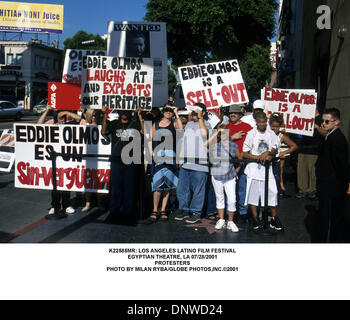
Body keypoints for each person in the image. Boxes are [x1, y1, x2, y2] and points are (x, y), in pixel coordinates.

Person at [101, 106, 144, 223]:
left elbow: (144, 133)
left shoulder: (134, 123)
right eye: (122, 111)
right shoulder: (114, 123)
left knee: (129, 187)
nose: (124, 113)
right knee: (115, 187)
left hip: (130, 160)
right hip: (116, 160)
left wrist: (139, 115)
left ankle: (128, 212)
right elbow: (104, 132)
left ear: (130, 112)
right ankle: (114, 211)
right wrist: (105, 115)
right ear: (119, 112)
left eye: (126, 111)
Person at [37, 105, 81, 215]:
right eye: (60, 114)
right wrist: (47, 111)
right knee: (55, 184)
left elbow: (79, 119)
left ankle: (66, 205)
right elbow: (38, 125)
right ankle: (55, 205)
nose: (62, 117)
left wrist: (67, 112)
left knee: (65, 182)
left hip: (67, 157)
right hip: (54, 158)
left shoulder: (72, 124)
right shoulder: (52, 122)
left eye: (64, 115)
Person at [243, 111, 283, 231]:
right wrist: (258, 157)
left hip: (267, 168)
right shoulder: (251, 134)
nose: (262, 124)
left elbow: (275, 148)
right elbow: (245, 152)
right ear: (256, 122)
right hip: (254, 168)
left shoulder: (271, 133)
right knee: (253, 195)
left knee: (273, 193)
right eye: (260, 122)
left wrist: (267, 153)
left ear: (266, 122)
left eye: (264, 122)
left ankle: (274, 218)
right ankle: (255, 218)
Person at [315, 108, 350, 243]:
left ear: (337, 122)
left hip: (333, 187)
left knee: (332, 218)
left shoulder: (337, 138)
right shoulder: (330, 136)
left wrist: (347, 183)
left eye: (327, 121)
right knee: (327, 217)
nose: (323, 124)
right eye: (323, 121)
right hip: (327, 185)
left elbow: (342, 164)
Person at [174, 102, 211, 224]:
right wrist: (180, 157)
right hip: (186, 162)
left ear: (203, 113)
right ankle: (183, 209)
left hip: (200, 164)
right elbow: (182, 138)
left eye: (196, 112)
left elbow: (204, 134)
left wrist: (200, 117)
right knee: (182, 188)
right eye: (193, 112)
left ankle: (196, 212)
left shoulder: (207, 124)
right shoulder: (189, 124)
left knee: (198, 190)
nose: (193, 114)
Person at [146, 105, 183, 222]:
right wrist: (151, 152)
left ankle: (163, 210)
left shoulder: (174, 123)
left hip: (171, 156)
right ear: (162, 112)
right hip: (158, 156)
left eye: (170, 111)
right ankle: (154, 209)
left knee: (167, 185)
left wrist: (177, 113)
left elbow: (181, 130)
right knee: (157, 185)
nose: (169, 112)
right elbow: (149, 139)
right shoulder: (156, 124)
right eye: (167, 110)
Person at [205, 124, 241, 232]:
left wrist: (236, 171)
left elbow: (240, 159)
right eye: (221, 133)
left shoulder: (234, 146)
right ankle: (221, 219)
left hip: (229, 176)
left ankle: (230, 221)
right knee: (219, 198)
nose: (223, 135)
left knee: (232, 199)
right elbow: (205, 144)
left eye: (225, 132)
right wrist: (216, 132)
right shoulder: (215, 145)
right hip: (217, 175)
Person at [226, 104, 252, 221]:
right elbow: (217, 143)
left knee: (242, 188)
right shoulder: (225, 127)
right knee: (229, 189)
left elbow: (253, 142)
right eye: (231, 113)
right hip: (228, 162)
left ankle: (243, 212)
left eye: (235, 113)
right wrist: (232, 137)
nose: (232, 115)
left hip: (243, 161)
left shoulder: (247, 127)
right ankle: (229, 212)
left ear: (240, 115)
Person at [295, 108, 324, 200]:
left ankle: (312, 190)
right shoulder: (304, 117)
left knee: (312, 171)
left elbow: (325, 133)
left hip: (314, 149)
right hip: (303, 148)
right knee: (301, 170)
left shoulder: (321, 119)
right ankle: (302, 190)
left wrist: (317, 127)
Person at [80, 109, 105, 212]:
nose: (95, 117)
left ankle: (100, 203)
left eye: (97, 115)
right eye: (93, 115)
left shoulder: (103, 127)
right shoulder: (84, 125)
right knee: (88, 180)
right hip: (88, 156)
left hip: (100, 156)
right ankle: (88, 203)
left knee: (100, 180)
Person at [269, 113, 298, 198]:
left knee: (276, 178)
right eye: (272, 126)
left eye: (277, 126)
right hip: (267, 161)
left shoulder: (282, 136)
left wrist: (283, 153)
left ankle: (277, 194)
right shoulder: (266, 133)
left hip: (276, 162)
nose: (274, 128)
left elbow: (294, 146)